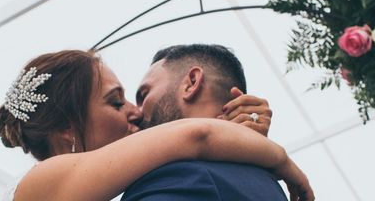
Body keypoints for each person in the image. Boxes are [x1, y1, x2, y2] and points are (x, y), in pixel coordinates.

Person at [0, 49, 314, 201]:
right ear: (67, 126)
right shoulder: (42, 183)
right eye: (116, 102)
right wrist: (280, 158)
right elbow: (198, 135)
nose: (135, 112)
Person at [124, 43, 291, 200]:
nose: (136, 113)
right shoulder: (268, 184)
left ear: (192, 83)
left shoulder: (179, 176)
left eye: (144, 95)